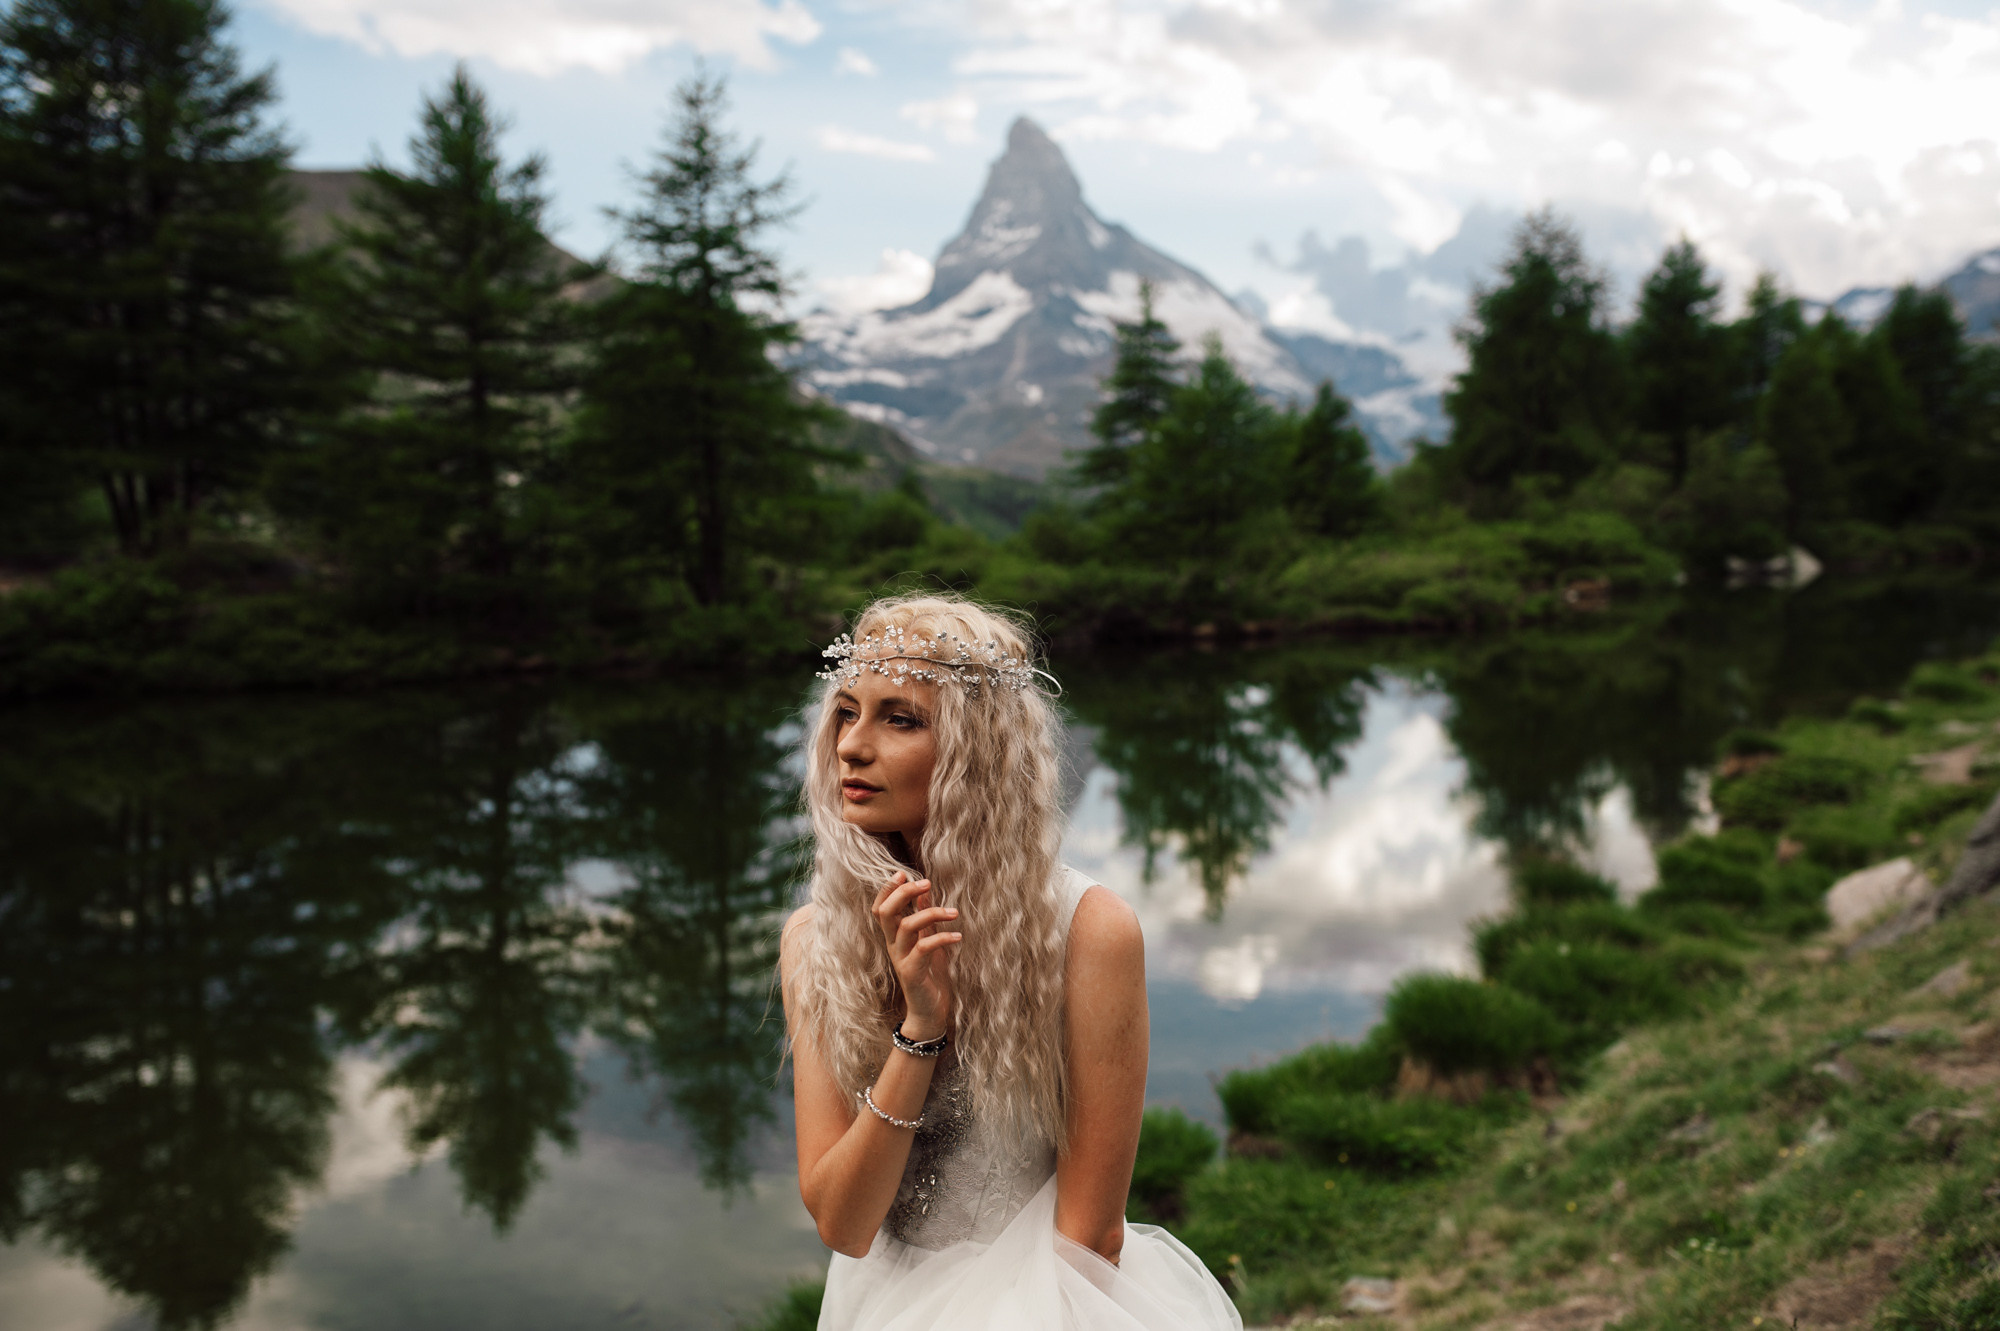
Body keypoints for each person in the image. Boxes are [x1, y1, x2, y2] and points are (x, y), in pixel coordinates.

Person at [781, 594, 1241, 1331]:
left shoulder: (1089, 931)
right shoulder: (814, 939)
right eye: (845, 711)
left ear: (977, 750)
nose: (851, 745)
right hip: (878, 1307)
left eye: (899, 717)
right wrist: (921, 1028)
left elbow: (1093, 1234)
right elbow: (843, 1224)